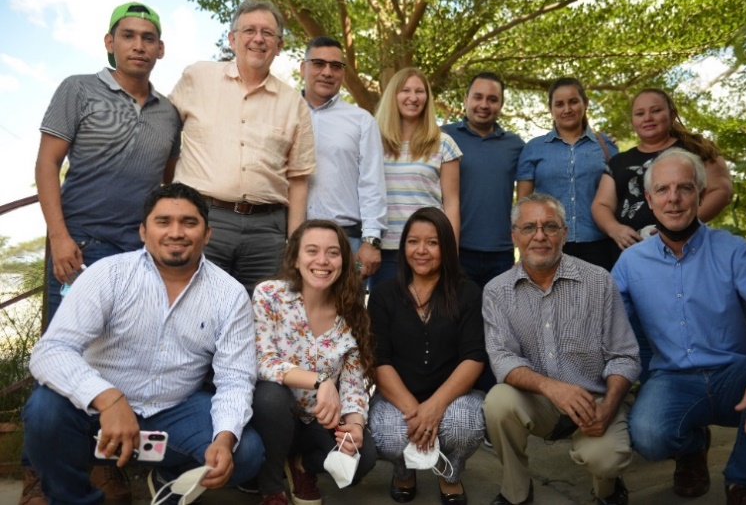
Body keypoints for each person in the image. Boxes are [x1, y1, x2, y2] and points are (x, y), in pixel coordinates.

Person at [25, 1, 181, 505]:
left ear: (160, 49)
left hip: (137, 252)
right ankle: (39, 472)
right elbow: (47, 164)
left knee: (120, 354)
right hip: (79, 245)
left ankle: (106, 466)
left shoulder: (169, 113)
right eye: (128, 35)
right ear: (110, 43)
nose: (139, 45)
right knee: (61, 352)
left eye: (148, 38)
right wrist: (58, 236)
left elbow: (166, 184)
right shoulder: (77, 89)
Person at [21, 183, 264, 505]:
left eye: (189, 223)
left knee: (245, 452)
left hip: (174, 410)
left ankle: (171, 479)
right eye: (163, 222)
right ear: (143, 232)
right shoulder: (108, 274)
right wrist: (108, 399)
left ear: (207, 234)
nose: (176, 232)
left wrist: (224, 439)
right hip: (96, 413)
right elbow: (51, 351)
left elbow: (235, 378)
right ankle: (75, 499)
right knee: (44, 411)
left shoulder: (230, 294)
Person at [612, 148, 746, 505]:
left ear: (701, 194)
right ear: (649, 199)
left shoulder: (734, 251)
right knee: (648, 434)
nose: (673, 199)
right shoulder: (630, 262)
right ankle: (692, 448)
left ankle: (743, 482)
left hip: (737, 374)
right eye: (662, 190)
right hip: (673, 379)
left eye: (685, 188)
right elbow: (606, 319)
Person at [483, 193, 640, 505]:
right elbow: (502, 358)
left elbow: (624, 355)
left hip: (593, 401)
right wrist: (552, 388)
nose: (540, 236)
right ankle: (516, 492)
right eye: (529, 227)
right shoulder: (496, 291)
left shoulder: (598, 281)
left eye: (550, 227)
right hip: (537, 401)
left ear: (564, 234)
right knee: (497, 402)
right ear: (514, 236)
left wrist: (608, 407)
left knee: (607, 459)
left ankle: (607, 491)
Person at [170, 0, 316, 295]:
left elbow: (299, 179)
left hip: (267, 232)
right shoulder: (197, 77)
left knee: (261, 315)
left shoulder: (294, 103)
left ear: (279, 45)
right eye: (249, 30)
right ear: (232, 39)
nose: (258, 39)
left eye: (267, 33)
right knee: (194, 306)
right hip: (202, 218)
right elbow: (165, 141)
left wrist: (295, 243)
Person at [251, 219, 377, 505]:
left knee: (364, 457)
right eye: (312, 251)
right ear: (295, 259)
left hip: (318, 420)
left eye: (333, 253)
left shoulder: (352, 312)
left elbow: (354, 385)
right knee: (270, 397)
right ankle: (271, 487)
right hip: (273, 415)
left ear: (343, 262)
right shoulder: (270, 295)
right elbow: (263, 361)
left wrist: (356, 425)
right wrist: (321, 382)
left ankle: (301, 466)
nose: (322, 260)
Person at [369, 207, 486, 505]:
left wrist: (435, 406)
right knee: (389, 434)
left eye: (432, 243)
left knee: (463, 425)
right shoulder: (383, 294)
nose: (421, 250)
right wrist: (415, 411)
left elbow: (473, 357)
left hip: (453, 397)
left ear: (446, 247)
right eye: (413, 241)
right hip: (398, 398)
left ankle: (450, 473)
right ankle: (403, 471)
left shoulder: (468, 292)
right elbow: (379, 360)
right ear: (403, 246)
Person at [591, 88, 733, 256]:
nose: (648, 118)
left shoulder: (697, 148)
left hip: (683, 250)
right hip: (629, 253)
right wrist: (615, 229)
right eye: (640, 113)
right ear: (632, 121)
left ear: (672, 114)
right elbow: (601, 205)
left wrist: (679, 228)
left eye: (656, 111)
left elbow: (721, 190)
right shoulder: (619, 161)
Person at [301, 36, 387, 278]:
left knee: (349, 303)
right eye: (319, 63)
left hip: (349, 243)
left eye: (336, 66)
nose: (327, 72)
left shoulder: (362, 120)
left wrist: (371, 241)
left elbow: (372, 183)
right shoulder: (284, 112)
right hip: (291, 239)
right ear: (303, 67)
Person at [369, 68, 462, 289]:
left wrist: (451, 253)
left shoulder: (443, 143)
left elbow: (451, 204)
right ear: (393, 95)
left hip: (428, 251)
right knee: (384, 310)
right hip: (385, 251)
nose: (413, 97)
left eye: (419, 91)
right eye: (405, 90)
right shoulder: (372, 140)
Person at [517, 77, 618, 271]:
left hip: (599, 245)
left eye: (573, 102)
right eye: (559, 104)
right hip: (548, 245)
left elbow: (618, 194)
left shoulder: (606, 146)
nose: (567, 109)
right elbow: (523, 205)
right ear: (551, 109)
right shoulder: (533, 148)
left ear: (585, 103)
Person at [442, 72, 525, 289]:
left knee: (499, 312)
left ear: (501, 105)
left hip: (501, 255)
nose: (484, 105)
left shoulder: (515, 146)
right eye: (478, 97)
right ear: (466, 99)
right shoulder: (443, 137)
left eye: (492, 99)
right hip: (455, 250)